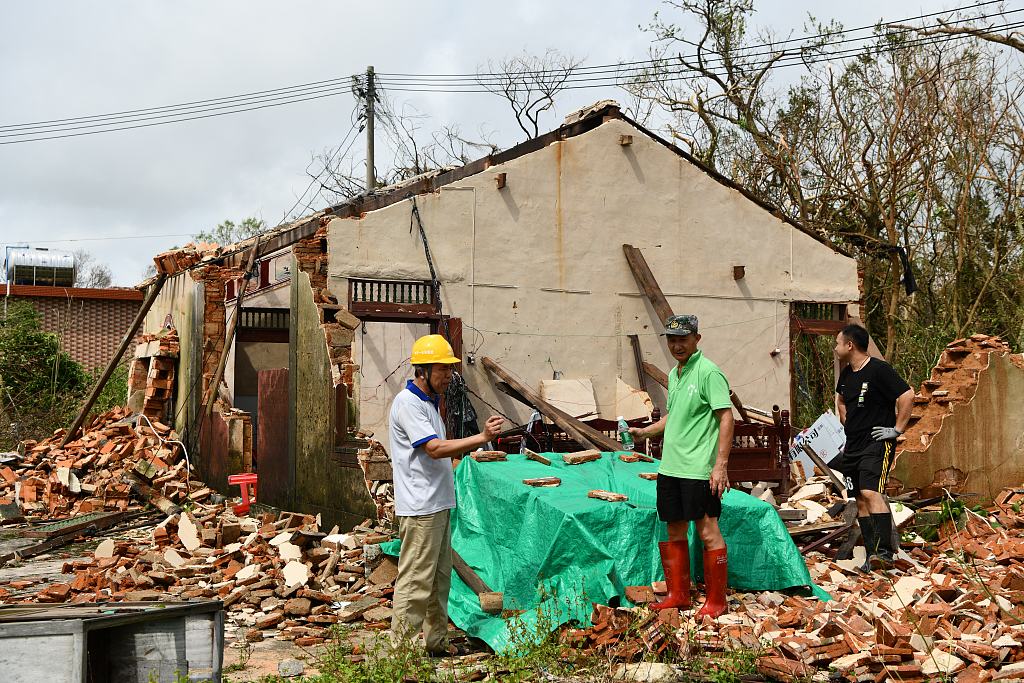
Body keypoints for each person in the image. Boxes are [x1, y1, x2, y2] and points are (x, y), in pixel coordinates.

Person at [388, 334, 504, 655]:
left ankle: (436, 643)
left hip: (437, 506)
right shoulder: (408, 404)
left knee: (439, 581)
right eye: (442, 370)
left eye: (449, 370)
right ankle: (403, 653)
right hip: (421, 508)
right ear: (423, 370)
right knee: (415, 581)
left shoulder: (429, 406)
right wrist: (480, 438)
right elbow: (434, 449)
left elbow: (441, 456)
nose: (449, 377)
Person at [629, 315, 735, 618]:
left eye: (683, 339)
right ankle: (678, 594)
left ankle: (716, 601)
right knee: (674, 528)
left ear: (696, 339)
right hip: (670, 468)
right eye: (671, 339)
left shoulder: (708, 372)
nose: (677, 345)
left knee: (707, 530)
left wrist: (720, 465)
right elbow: (674, 417)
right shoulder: (675, 374)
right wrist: (644, 432)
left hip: (698, 469)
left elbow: (726, 417)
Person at [832, 324, 913, 569]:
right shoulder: (846, 374)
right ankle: (871, 555)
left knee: (871, 492)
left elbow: (907, 395)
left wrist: (897, 429)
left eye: (837, 343)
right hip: (852, 446)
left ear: (850, 345)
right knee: (859, 498)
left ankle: (884, 554)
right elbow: (841, 400)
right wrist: (848, 423)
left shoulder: (879, 370)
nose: (835, 348)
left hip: (876, 443)